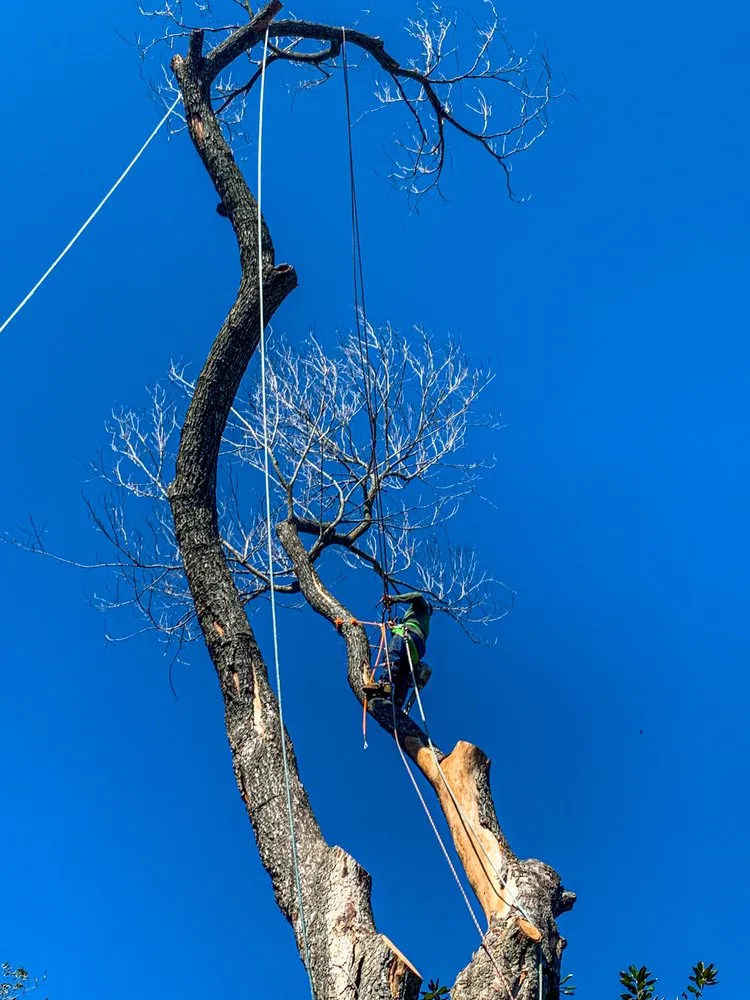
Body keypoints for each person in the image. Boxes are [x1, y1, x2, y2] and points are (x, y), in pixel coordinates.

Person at [369, 591, 434, 712]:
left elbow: (418, 596)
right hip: (417, 649)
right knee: (403, 671)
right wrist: (394, 627)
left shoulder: (423, 607)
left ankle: (385, 682)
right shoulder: (420, 621)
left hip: (409, 635)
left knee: (392, 654)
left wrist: (393, 599)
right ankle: (398, 700)